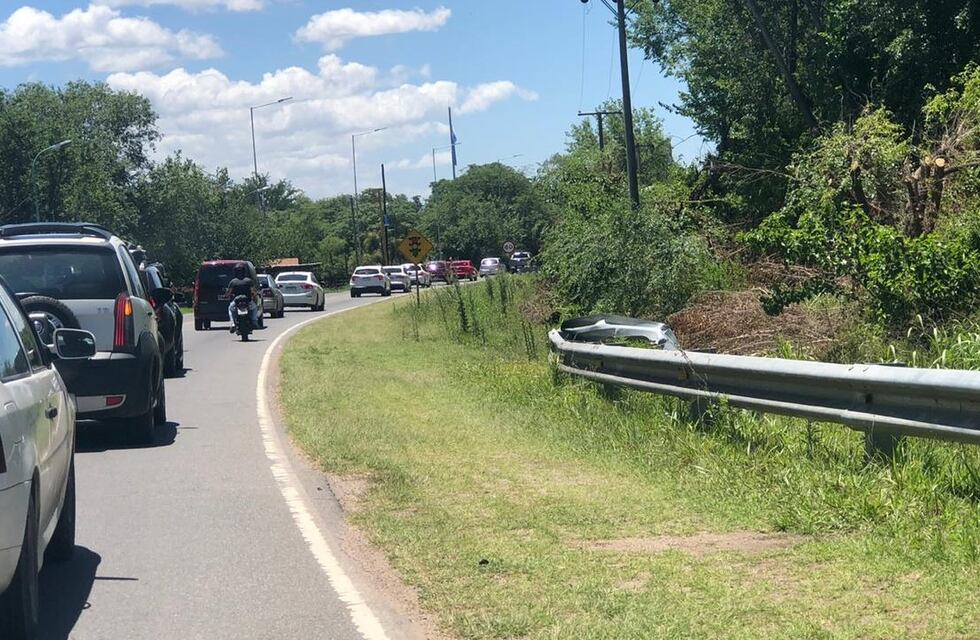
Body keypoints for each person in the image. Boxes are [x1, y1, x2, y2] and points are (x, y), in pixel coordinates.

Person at [225, 263, 259, 333]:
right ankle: (254, 321)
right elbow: (253, 291)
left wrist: (226, 296)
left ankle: (232, 323)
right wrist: (255, 295)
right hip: (248, 301)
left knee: (230, 308)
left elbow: (229, 292)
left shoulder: (233, 282)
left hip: (236, 302)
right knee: (255, 307)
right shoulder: (249, 281)